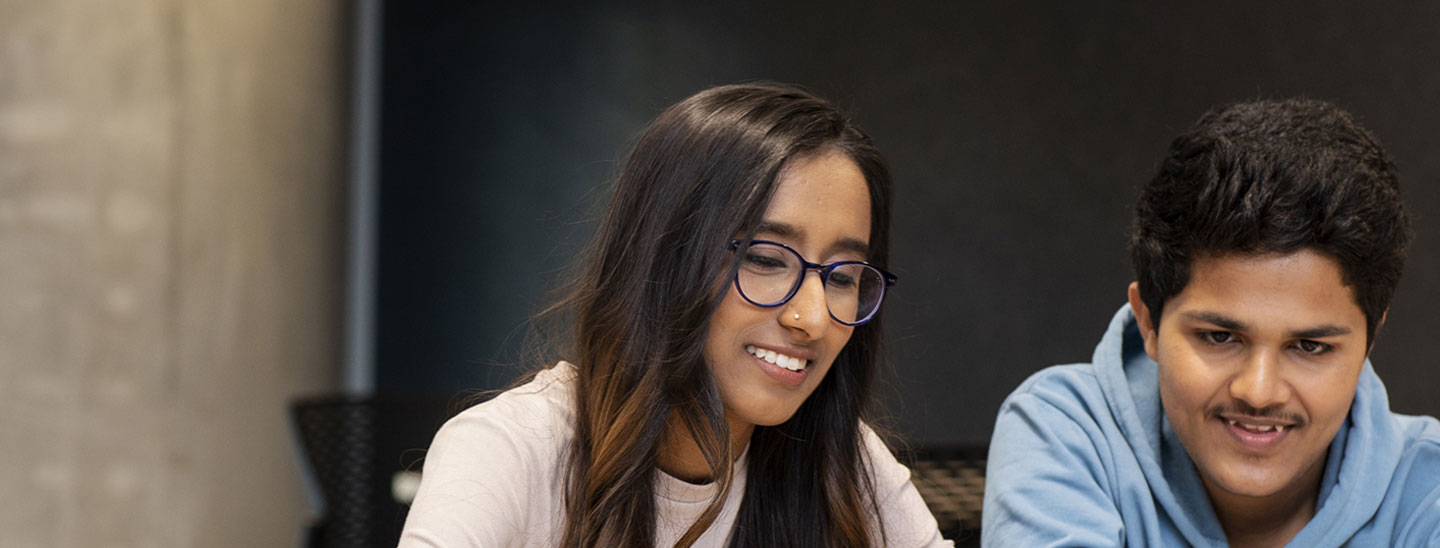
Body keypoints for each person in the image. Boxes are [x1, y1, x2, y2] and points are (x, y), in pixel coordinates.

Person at [399, 83, 951, 547]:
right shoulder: (510, 450)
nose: (812, 317)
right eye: (764, 259)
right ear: (663, 256)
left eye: (842, 277)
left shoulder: (842, 463)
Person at [982, 99, 1440, 547]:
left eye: (1310, 346)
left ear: (1370, 339)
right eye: (1220, 337)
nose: (1259, 392)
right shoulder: (1066, 432)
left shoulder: (1429, 486)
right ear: (1148, 322)